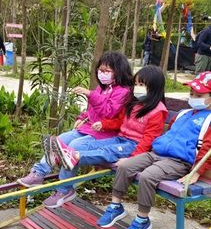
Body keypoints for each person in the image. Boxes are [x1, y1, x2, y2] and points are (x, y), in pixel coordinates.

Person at [97, 71, 211, 229]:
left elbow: (210, 149)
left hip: (178, 162)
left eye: (199, 95)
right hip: (156, 154)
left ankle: (142, 219)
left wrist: (196, 172)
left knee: (147, 176)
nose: (193, 97)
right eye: (191, 94)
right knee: (124, 166)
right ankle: (115, 206)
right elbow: (169, 134)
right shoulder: (183, 114)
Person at [41, 65, 168, 208]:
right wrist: (104, 124)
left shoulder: (158, 111)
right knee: (94, 145)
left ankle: (71, 159)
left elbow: (148, 139)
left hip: (133, 146)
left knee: (105, 152)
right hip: (120, 139)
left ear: (154, 87)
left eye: (142, 85)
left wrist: (132, 159)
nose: (137, 87)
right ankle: (64, 160)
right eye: (136, 84)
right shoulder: (133, 104)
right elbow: (119, 122)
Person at [17, 52, 133, 202]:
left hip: (106, 135)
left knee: (74, 146)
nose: (102, 74)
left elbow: (108, 111)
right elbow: (92, 110)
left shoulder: (123, 92)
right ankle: (38, 173)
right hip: (90, 129)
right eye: (100, 70)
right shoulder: (102, 88)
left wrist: (90, 94)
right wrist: (82, 117)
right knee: (60, 140)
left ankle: (64, 189)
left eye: (107, 71)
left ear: (119, 71)